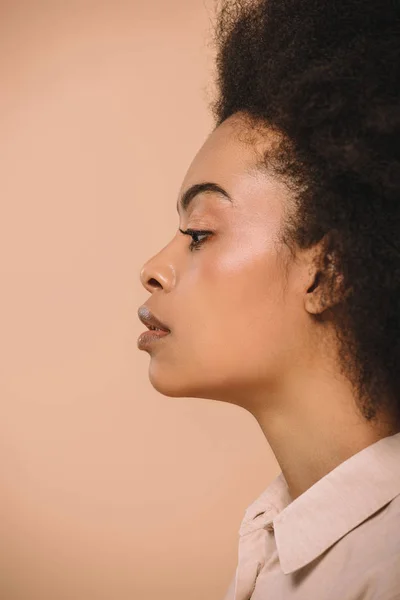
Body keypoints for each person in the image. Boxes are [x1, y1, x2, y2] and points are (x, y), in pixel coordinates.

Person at [137, 0, 400, 597]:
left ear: (326, 272)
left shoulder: (385, 569)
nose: (153, 269)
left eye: (199, 233)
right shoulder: (277, 549)